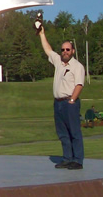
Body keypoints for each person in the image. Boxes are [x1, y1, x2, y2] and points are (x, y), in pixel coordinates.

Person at [38, 26, 85, 170]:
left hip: (69, 102)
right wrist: (41, 34)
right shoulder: (58, 62)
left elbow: (79, 84)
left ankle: (77, 160)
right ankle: (67, 158)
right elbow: (48, 50)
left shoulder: (77, 66)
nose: (65, 52)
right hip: (58, 103)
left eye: (68, 50)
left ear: (73, 51)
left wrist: (72, 100)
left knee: (74, 132)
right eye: (63, 49)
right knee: (62, 133)